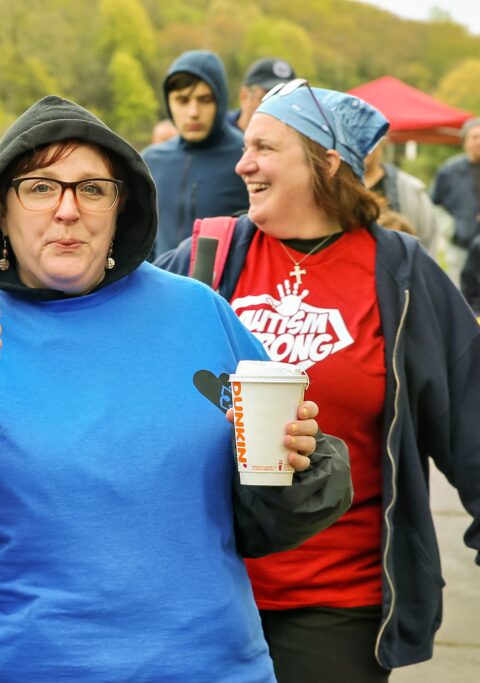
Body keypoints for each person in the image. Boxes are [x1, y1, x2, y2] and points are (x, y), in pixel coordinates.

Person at [0, 95, 353, 681]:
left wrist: (298, 467)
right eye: (39, 187)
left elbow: (265, 520)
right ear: (0, 210)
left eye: (91, 189)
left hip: (201, 666)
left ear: (119, 206)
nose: (66, 210)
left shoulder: (201, 315)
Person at [157, 82, 480, 681]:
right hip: (205, 590)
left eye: (264, 146)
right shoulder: (209, 255)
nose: (242, 162)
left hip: (337, 602)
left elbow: (472, 417)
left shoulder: (403, 274)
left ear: (326, 163)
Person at [142, 49, 249, 257]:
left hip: (226, 288)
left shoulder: (247, 157)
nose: (193, 112)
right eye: (182, 100)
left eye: (205, 99)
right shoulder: (151, 161)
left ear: (220, 100)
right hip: (162, 285)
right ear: (168, 102)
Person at [363, 136, 442, 256]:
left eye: (366, 138)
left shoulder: (410, 189)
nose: (362, 147)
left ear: (382, 140)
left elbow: (428, 241)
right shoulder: (337, 189)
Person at [431, 116, 480, 284]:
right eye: (474, 137)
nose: (478, 142)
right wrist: (451, 229)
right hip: (460, 249)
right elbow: (434, 205)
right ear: (465, 141)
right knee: (462, 299)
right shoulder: (449, 171)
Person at [228, 57, 297, 132]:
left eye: (285, 99)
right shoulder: (216, 134)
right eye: (267, 99)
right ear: (244, 96)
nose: (277, 108)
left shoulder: (295, 139)